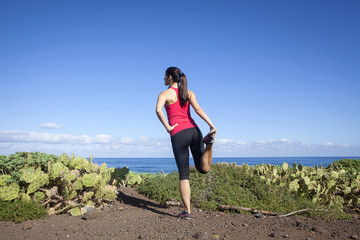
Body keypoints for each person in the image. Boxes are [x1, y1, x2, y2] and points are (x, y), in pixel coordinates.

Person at [156, 66, 216, 220]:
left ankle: (187, 211)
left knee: (184, 174)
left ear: (170, 77)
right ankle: (209, 144)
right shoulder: (188, 93)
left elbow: (158, 110)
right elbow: (198, 109)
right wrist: (211, 125)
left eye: (165, 76)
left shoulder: (164, 94)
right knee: (204, 169)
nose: (163, 78)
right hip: (194, 131)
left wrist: (168, 127)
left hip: (178, 134)